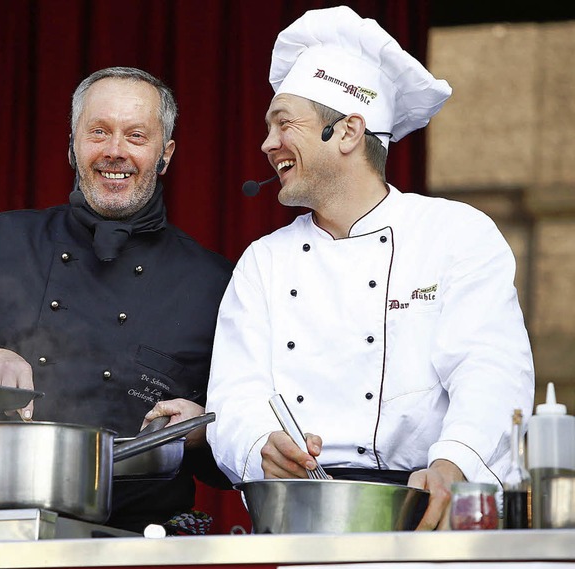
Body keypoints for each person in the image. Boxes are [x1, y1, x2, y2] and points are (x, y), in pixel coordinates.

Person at [206, 6, 534, 530]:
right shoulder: (263, 263)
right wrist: (260, 448)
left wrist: (455, 461)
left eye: (283, 123)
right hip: (305, 517)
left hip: (428, 510)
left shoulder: (456, 235)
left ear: (348, 132)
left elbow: (490, 368)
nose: (267, 144)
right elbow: (234, 397)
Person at [0, 66, 234, 533]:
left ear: (165, 155)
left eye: (136, 135)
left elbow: (236, 454)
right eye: (98, 131)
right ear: (72, 144)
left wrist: (202, 431)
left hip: (143, 543)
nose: (115, 151)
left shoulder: (214, 282)